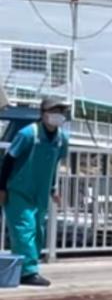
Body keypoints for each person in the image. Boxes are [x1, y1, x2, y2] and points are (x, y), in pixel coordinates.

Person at [0, 95, 70, 286]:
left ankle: (26, 267)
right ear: (43, 113)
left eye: (62, 112)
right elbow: (9, 160)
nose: (59, 115)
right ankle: (28, 271)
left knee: (38, 229)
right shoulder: (28, 133)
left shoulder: (61, 138)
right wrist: (2, 187)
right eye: (55, 111)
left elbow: (55, 163)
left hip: (41, 191)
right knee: (24, 228)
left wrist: (54, 188)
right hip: (19, 189)